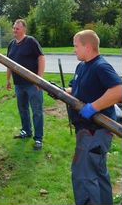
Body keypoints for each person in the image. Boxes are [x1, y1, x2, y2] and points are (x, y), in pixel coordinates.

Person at [68, 30, 122, 205]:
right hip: (86, 131)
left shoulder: (100, 66)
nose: (74, 50)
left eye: (76, 46)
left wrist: (94, 107)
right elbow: (77, 90)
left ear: (88, 46)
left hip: (96, 132)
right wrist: (63, 92)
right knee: (98, 173)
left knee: (84, 175)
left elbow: (118, 90)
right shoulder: (82, 66)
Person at [6, 19, 45, 150]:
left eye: (17, 28)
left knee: (37, 111)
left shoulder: (31, 42)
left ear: (24, 30)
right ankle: (26, 131)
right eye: (13, 28)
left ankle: (38, 138)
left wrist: (39, 79)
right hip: (19, 84)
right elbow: (8, 63)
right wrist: (8, 80)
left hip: (33, 84)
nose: (14, 30)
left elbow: (41, 58)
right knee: (23, 110)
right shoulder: (11, 44)